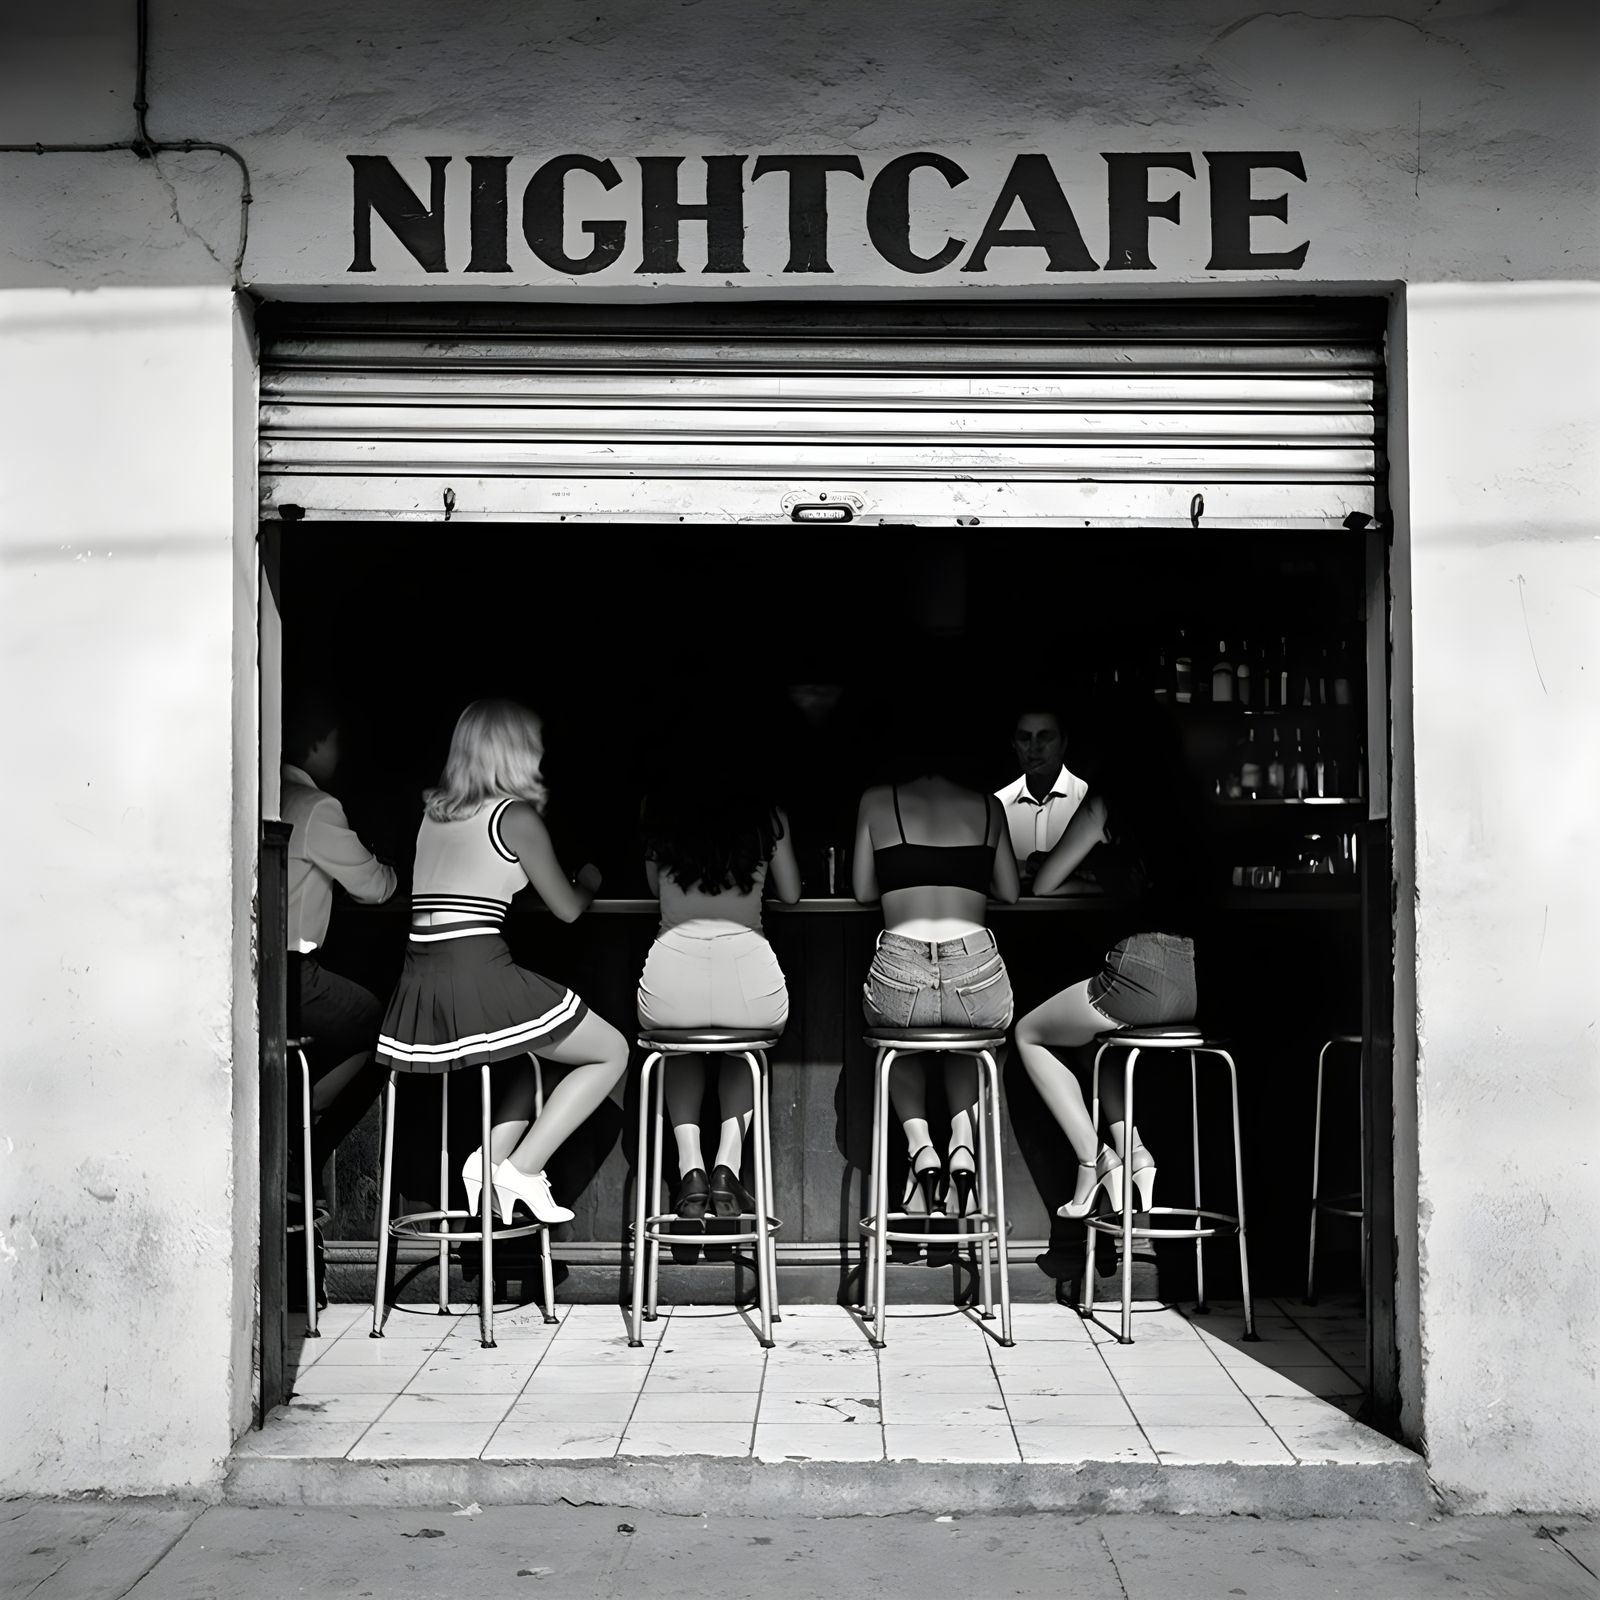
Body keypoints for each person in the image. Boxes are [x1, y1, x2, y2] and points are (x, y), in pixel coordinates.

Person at [375, 699, 628, 1224]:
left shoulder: (433, 815)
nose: (539, 755)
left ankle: (485, 1162)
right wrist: (592, 882)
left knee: (530, 1057)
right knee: (610, 1051)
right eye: (532, 744)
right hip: (477, 975)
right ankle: (523, 1168)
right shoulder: (513, 816)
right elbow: (566, 909)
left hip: (421, 982)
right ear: (510, 752)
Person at [1012, 703, 1210, 1220]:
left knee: (1031, 1033)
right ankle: (1135, 1152)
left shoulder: (1107, 803)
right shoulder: (1191, 803)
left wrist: (1089, 878)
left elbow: (1046, 881)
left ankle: (1091, 1158)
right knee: (1089, 1042)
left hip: (1137, 973)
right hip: (1190, 979)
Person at [853, 711, 1021, 1220]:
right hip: (975, 967)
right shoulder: (989, 807)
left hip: (901, 967)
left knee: (900, 1045)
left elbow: (863, 890)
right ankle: (963, 1144)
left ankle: (921, 1145)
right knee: (968, 1041)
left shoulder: (878, 801)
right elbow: (1009, 892)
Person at [637, 758, 801, 1225]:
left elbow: (653, 887)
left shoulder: (658, 808)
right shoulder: (768, 816)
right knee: (741, 1050)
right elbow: (789, 893)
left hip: (669, 983)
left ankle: (691, 1170)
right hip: (750, 983)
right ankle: (727, 1167)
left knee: (679, 1047)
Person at [282, 693, 398, 1213]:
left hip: (261, 973)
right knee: (383, 1032)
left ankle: (293, 1117)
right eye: (335, 743)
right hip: (295, 975)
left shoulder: (262, 795)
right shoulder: (316, 807)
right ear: (317, 744)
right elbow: (373, 886)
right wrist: (397, 871)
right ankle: (304, 1144)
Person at [995, 704, 1088, 890]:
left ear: (1064, 742)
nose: (1034, 747)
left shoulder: (1087, 801)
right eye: (1024, 738)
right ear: (1013, 742)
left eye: (1045, 737)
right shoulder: (997, 806)